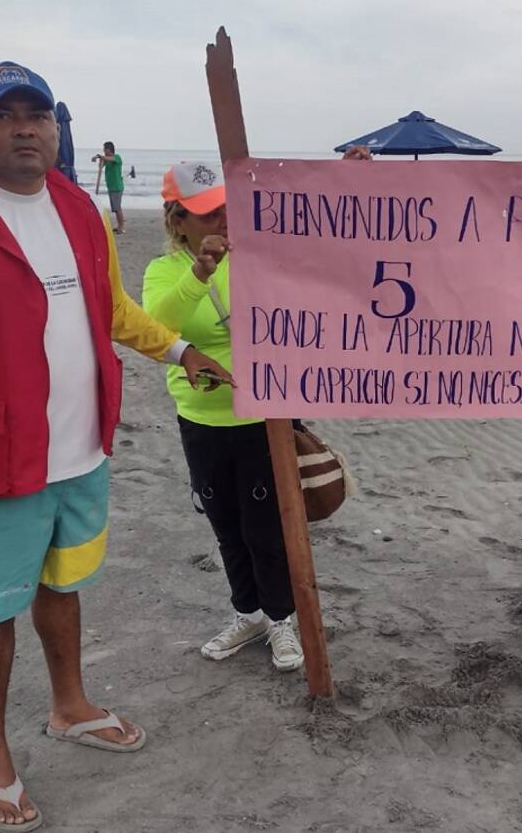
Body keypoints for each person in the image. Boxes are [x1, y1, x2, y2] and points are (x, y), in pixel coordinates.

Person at [0, 61, 226, 831]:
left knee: (63, 585)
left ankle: (69, 705)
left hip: (79, 452)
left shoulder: (77, 206)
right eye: (4, 116)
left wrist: (178, 353)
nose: (25, 127)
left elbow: (114, 310)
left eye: (39, 114)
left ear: (59, 128)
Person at [142, 161, 305, 675]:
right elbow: (156, 329)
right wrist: (199, 273)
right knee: (227, 528)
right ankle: (249, 613)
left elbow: (320, 240)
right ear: (178, 221)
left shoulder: (257, 255)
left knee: (266, 528)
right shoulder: (162, 271)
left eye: (224, 206)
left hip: (263, 418)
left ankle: (281, 619)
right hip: (201, 421)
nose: (220, 218)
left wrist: (348, 179)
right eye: (205, 212)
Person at [94, 141, 126, 234]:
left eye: (105, 149)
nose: (104, 150)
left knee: (117, 208)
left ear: (109, 149)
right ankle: (119, 225)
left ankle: (122, 227)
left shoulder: (117, 157)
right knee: (115, 208)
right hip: (111, 186)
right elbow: (101, 166)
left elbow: (112, 159)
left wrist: (102, 157)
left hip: (117, 187)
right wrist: (98, 160)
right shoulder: (106, 159)